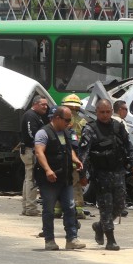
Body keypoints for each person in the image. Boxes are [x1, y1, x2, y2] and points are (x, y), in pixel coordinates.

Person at [80, 99, 133, 251]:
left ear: (112, 112)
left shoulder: (118, 127)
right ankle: (110, 240)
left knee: (120, 206)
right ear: (96, 112)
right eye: (102, 112)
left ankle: (99, 226)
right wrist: (82, 175)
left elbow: (128, 146)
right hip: (101, 174)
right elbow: (84, 154)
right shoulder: (90, 129)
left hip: (118, 171)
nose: (105, 115)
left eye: (108, 112)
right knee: (106, 207)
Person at [34, 105, 85, 251]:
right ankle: (49, 240)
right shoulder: (43, 133)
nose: (69, 123)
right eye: (66, 120)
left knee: (70, 207)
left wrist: (75, 160)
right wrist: (48, 170)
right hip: (50, 180)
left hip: (65, 178)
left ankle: (72, 239)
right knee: (49, 210)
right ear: (57, 118)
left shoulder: (65, 132)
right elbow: (39, 152)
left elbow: (69, 150)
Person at [19, 96, 49, 217]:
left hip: (31, 150)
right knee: (31, 179)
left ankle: (27, 207)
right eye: (43, 104)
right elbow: (32, 135)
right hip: (30, 151)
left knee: (28, 179)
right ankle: (30, 208)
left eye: (46, 105)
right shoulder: (30, 116)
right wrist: (39, 147)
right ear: (35, 104)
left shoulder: (36, 116)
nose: (45, 107)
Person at [61, 93, 87, 220]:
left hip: (63, 159)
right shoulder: (82, 121)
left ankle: (58, 209)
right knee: (76, 185)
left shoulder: (60, 120)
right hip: (77, 158)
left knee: (61, 185)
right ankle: (79, 210)